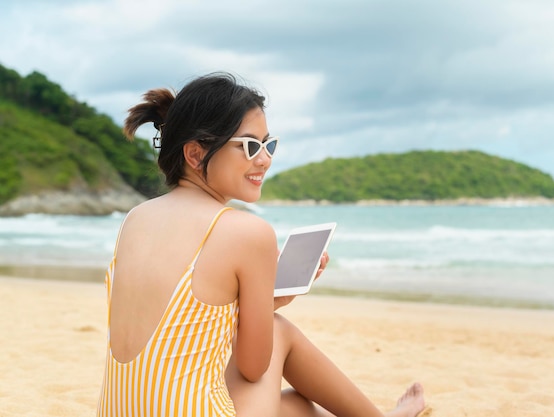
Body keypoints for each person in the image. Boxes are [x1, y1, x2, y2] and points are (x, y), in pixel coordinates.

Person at [97, 72, 427, 417]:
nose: (265, 160)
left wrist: (266, 299)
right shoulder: (246, 232)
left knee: (297, 407)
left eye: (269, 144)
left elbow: (179, 331)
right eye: (250, 146)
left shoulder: (134, 219)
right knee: (278, 332)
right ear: (195, 154)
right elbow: (253, 368)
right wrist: (267, 307)